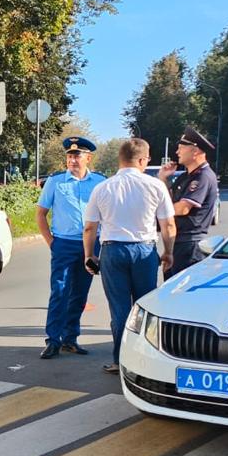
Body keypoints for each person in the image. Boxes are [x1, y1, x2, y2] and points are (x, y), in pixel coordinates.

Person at [82, 138, 176, 375]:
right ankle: (147, 362)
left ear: (120, 159)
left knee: (119, 309)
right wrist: (168, 252)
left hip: (112, 251)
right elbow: (169, 225)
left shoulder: (103, 187)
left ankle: (120, 360)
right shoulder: (155, 186)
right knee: (146, 308)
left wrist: (89, 255)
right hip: (144, 251)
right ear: (143, 160)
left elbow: (89, 228)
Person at [36, 135, 106, 359]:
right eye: (69, 156)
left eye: (77, 156)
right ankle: (52, 340)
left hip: (91, 245)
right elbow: (41, 214)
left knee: (79, 294)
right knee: (59, 291)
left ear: (88, 158)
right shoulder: (55, 182)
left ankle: (70, 338)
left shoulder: (99, 182)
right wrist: (51, 243)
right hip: (64, 244)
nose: (72, 160)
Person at [158, 127, 219, 279]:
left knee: (180, 292)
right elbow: (169, 198)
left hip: (190, 245)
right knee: (170, 291)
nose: (177, 152)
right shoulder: (186, 176)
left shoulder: (203, 176)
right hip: (178, 242)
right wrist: (163, 179)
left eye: (181, 148)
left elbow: (183, 208)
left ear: (195, 152)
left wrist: (158, 212)